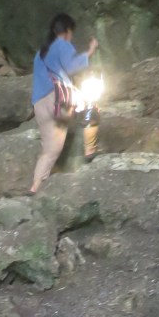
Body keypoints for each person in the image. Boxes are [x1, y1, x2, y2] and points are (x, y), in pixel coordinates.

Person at [28, 13, 98, 194]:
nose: (71, 36)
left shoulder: (40, 52)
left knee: (50, 151)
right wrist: (90, 52)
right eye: (71, 32)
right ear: (67, 31)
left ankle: (35, 188)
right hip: (58, 99)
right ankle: (90, 149)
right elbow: (72, 67)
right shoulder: (62, 44)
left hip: (39, 105)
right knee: (91, 105)